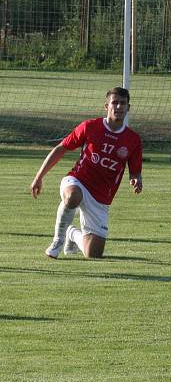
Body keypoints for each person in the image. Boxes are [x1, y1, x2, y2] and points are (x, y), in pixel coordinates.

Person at [30, 87, 143, 259]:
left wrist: (136, 180)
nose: (118, 107)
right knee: (73, 197)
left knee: (93, 255)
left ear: (128, 107)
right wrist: (39, 177)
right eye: (115, 102)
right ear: (106, 106)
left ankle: (71, 234)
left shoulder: (133, 140)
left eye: (123, 103)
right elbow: (61, 148)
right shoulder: (90, 127)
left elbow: (135, 172)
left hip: (101, 197)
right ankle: (57, 241)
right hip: (78, 181)